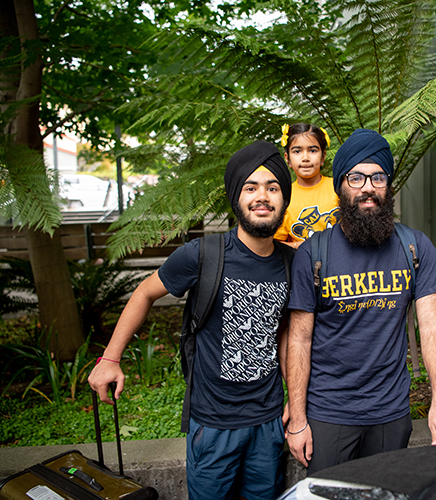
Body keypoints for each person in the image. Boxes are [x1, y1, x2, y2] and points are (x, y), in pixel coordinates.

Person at [88, 140, 293, 500]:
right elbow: (144, 293)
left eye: (273, 187)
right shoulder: (203, 254)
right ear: (236, 197)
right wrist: (110, 358)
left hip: (269, 421)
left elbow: (292, 337)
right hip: (213, 423)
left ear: (283, 199)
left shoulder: (293, 262)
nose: (262, 196)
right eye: (251, 187)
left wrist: (297, 402)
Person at [285, 128, 436, 475]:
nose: (368, 187)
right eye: (356, 177)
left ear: (389, 186)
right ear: (341, 187)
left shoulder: (414, 246)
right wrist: (298, 417)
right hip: (329, 413)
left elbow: (431, 325)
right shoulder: (313, 253)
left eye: (378, 177)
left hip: (391, 413)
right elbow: (299, 339)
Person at [274, 123, 340, 249]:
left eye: (313, 150)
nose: (305, 158)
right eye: (297, 151)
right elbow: (274, 243)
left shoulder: (338, 187)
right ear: (287, 158)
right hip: (303, 265)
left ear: (323, 156)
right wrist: (297, 246)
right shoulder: (283, 196)